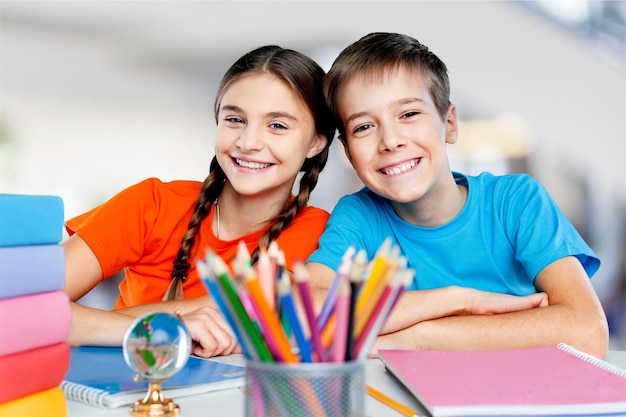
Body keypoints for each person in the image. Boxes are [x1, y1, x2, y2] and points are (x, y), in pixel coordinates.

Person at [306, 32, 609, 358]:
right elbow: (304, 311)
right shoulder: (359, 215)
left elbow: (587, 331)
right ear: (349, 152)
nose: (390, 141)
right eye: (363, 127)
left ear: (449, 123)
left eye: (409, 114)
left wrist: (417, 338)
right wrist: (457, 300)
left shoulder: (515, 201)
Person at [63, 45, 336, 358]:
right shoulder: (152, 204)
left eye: (277, 125)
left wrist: (102, 323)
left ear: (316, 142)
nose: (248, 142)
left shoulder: (322, 238)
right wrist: (172, 324)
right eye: (235, 119)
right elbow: (18, 309)